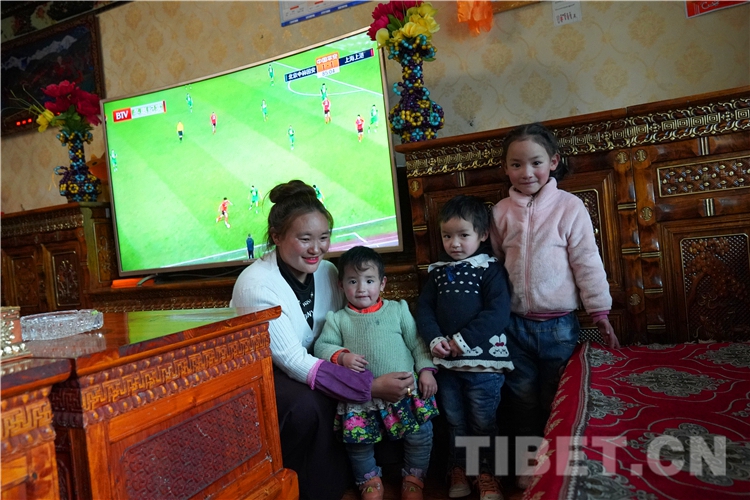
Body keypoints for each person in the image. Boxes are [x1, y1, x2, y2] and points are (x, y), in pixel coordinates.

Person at [230, 180, 415, 500]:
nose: (316, 248)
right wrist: (369, 387)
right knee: (310, 405)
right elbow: (292, 361)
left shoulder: (329, 271)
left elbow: (352, 324)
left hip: (318, 361)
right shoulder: (256, 285)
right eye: (305, 239)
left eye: (323, 237)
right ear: (276, 236)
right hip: (265, 375)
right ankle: (313, 487)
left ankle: (377, 471)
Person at [489, 123, 620, 489]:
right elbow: (495, 265)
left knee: (557, 397)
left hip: (559, 327)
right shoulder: (501, 212)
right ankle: (529, 464)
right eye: (516, 164)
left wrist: (600, 312)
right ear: (505, 168)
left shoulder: (569, 207)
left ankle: (558, 465)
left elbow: (586, 261)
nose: (527, 172)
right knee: (521, 399)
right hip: (514, 326)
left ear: (554, 162)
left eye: (536, 162)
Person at [315, 246, 439, 500]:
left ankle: (414, 478)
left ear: (382, 283)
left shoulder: (398, 310)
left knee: (420, 434)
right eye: (353, 281)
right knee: (359, 445)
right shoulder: (338, 319)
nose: (361, 288)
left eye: (369, 281)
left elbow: (417, 343)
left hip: (405, 391)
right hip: (361, 398)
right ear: (341, 285)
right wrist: (342, 356)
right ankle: (369, 480)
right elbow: (322, 346)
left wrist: (426, 370)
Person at [416, 195, 512, 500]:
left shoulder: (490, 269)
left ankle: (488, 473)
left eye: (463, 235)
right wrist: (435, 339)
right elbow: (424, 311)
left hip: (484, 366)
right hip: (447, 367)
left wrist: (463, 340)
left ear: (482, 235)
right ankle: (458, 468)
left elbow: (498, 313)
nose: (454, 243)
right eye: (447, 236)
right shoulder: (438, 272)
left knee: (484, 422)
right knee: (454, 422)